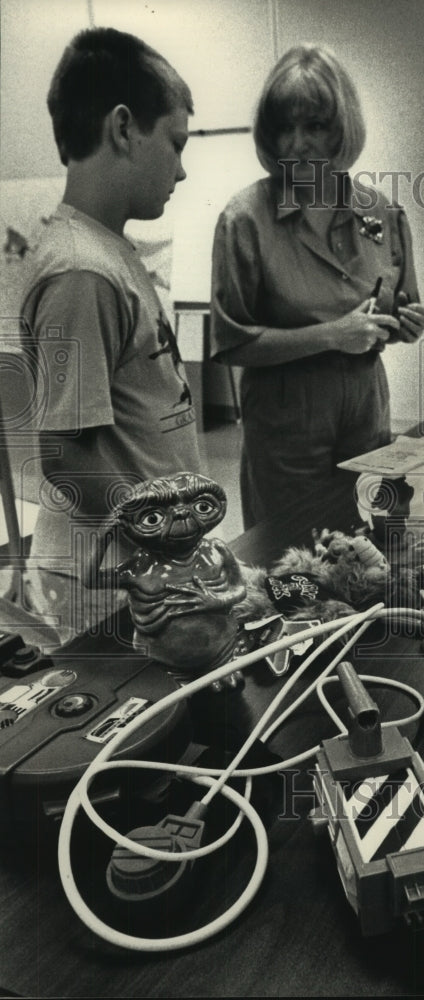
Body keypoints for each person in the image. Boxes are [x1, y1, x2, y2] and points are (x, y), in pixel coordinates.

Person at [19, 27, 203, 643]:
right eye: (175, 143)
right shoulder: (82, 270)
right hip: (107, 586)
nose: (181, 168)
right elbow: (66, 452)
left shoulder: (106, 250)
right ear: (124, 129)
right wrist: (159, 546)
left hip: (139, 565)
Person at [210, 43, 424, 529]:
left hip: (367, 407)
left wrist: (407, 325)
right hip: (286, 417)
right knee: (291, 563)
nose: (296, 143)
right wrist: (332, 334)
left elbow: (397, 311)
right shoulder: (244, 220)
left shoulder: (382, 212)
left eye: (314, 126)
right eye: (284, 127)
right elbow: (231, 342)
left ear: (342, 128)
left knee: (369, 549)